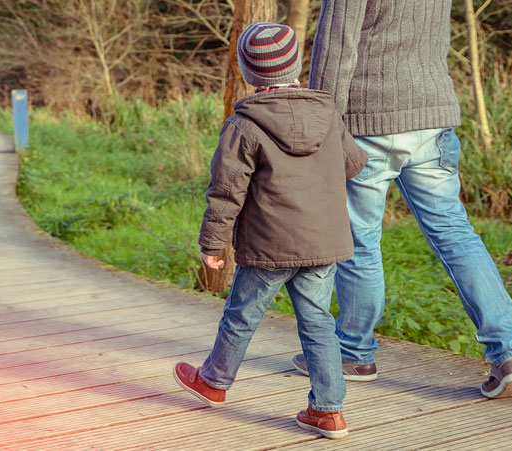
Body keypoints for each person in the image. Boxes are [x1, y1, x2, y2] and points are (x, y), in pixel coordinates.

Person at [296, 0, 512, 399]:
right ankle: (509, 354)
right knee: (455, 233)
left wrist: (324, 123)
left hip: (369, 121)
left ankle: (354, 351)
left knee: (360, 240)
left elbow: (336, 47)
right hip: (432, 117)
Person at [173, 23, 367, 440]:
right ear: (296, 64)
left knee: (241, 316)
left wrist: (212, 243)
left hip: (269, 247)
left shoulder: (244, 124)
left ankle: (214, 381)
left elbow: (226, 192)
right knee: (318, 323)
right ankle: (329, 411)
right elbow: (354, 163)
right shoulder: (327, 113)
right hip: (323, 243)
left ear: (249, 72)